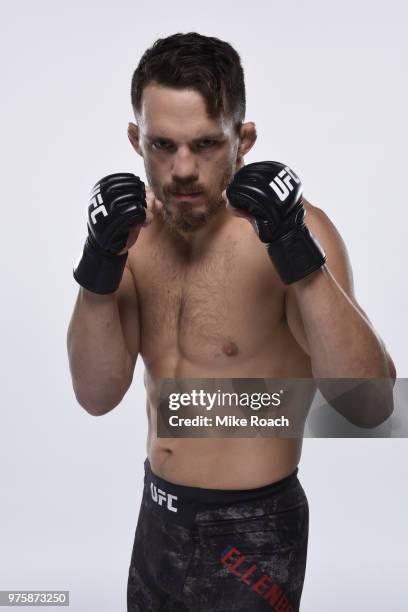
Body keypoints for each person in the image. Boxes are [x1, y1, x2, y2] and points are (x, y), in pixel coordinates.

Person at [67, 32, 396, 611]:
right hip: (157, 517)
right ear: (134, 140)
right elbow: (96, 395)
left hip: (253, 532)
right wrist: (97, 263)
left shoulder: (299, 234)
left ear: (243, 140)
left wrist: (294, 249)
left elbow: (371, 406)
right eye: (162, 145)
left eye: (206, 145)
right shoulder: (129, 240)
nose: (182, 169)